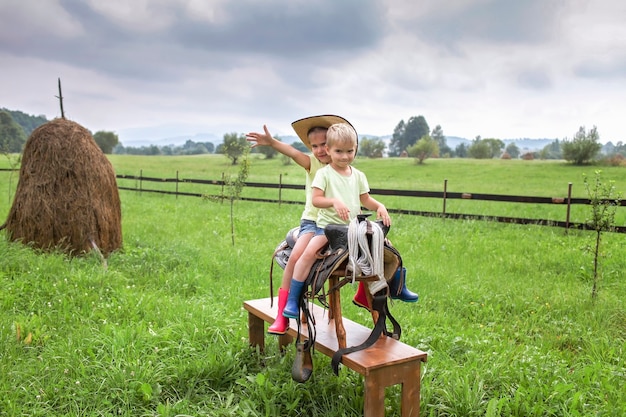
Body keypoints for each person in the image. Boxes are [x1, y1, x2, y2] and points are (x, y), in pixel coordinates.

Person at [246, 115, 348, 334]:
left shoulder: (342, 167)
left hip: (335, 224)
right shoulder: (312, 164)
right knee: (296, 255)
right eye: (315, 146)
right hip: (312, 222)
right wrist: (272, 143)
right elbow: (292, 152)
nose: (320, 150)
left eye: (324, 145)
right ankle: (282, 314)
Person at [283, 122, 397, 318]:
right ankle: (293, 299)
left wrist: (379, 206)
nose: (345, 156)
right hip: (327, 228)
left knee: (387, 247)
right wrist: (334, 202)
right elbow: (316, 200)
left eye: (349, 151)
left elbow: (365, 199)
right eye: (339, 151)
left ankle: (396, 285)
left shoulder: (359, 175)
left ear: (355, 149)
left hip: (353, 228)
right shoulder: (323, 174)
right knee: (307, 254)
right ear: (329, 150)